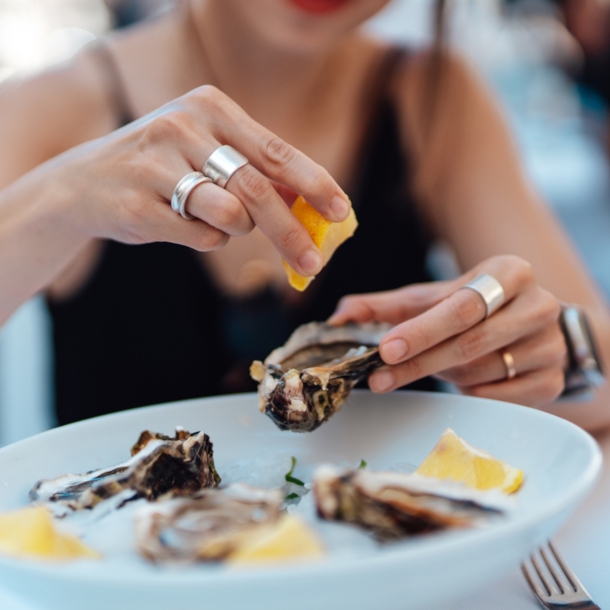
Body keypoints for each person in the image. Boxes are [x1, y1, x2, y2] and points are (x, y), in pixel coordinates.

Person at [0, 0, 607, 430]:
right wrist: (56, 201)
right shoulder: (53, 107)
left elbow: (594, 390)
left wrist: (557, 349)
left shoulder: (434, 98)